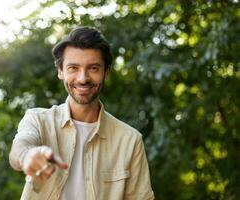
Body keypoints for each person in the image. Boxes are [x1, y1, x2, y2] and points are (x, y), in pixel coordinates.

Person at [9, 26, 154, 200]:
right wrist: (27, 156)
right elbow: (21, 146)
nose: (83, 78)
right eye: (73, 68)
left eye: (93, 68)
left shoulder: (130, 140)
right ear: (60, 71)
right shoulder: (38, 120)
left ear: (106, 72)